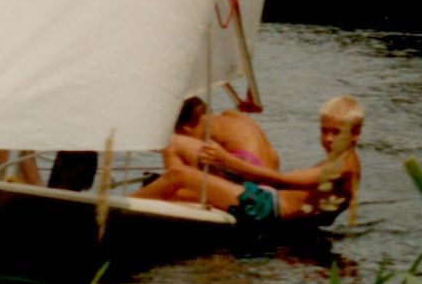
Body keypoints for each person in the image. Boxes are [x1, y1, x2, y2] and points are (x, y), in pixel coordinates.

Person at [136, 95, 363, 228]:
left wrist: (228, 161)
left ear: (356, 133)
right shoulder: (344, 161)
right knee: (179, 194)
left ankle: (111, 212)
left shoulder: (343, 165)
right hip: (269, 205)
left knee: (180, 176)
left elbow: (282, 180)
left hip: (264, 207)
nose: (328, 139)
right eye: (324, 131)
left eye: (337, 133)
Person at [166, 95, 281, 178]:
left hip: (250, 172)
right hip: (271, 173)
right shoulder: (232, 115)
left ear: (183, 129)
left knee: (173, 144)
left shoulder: (196, 130)